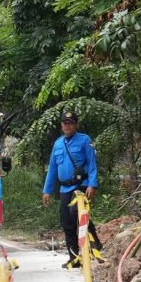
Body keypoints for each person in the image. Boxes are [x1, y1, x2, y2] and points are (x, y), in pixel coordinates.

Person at [40, 110, 100, 267]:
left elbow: (92, 164)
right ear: (62, 125)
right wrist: (47, 190)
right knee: (67, 223)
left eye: (70, 123)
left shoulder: (84, 140)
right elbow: (52, 168)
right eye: (65, 123)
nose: (67, 126)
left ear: (76, 125)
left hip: (81, 185)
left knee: (77, 213)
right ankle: (73, 258)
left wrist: (92, 184)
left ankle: (96, 246)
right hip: (64, 189)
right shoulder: (58, 144)